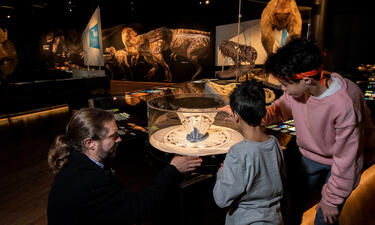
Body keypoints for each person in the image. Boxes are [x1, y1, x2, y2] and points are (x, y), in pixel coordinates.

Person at [262, 38, 375, 225]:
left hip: (341, 162)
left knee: (325, 216)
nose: (283, 89)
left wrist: (332, 199)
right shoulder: (301, 88)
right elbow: (280, 108)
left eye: (285, 84)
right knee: (293, 204)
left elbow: (347, 159)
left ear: (306, 80)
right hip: (310, 155)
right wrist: (254, 115)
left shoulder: (345, 103)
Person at [47, 107, 202, 225]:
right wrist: (173, 169)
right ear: (90, 143)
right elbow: (140, 208)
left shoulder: (76, 160)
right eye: (113, 136)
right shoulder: (89, 181)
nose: (119, 140)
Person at [213, 80, 285, 225]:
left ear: (236, 116)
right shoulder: (274, 142)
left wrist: (222, 172)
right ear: (263, 111)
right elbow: (281, 176)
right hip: (274, 218)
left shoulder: (238, 152)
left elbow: (221, 198)